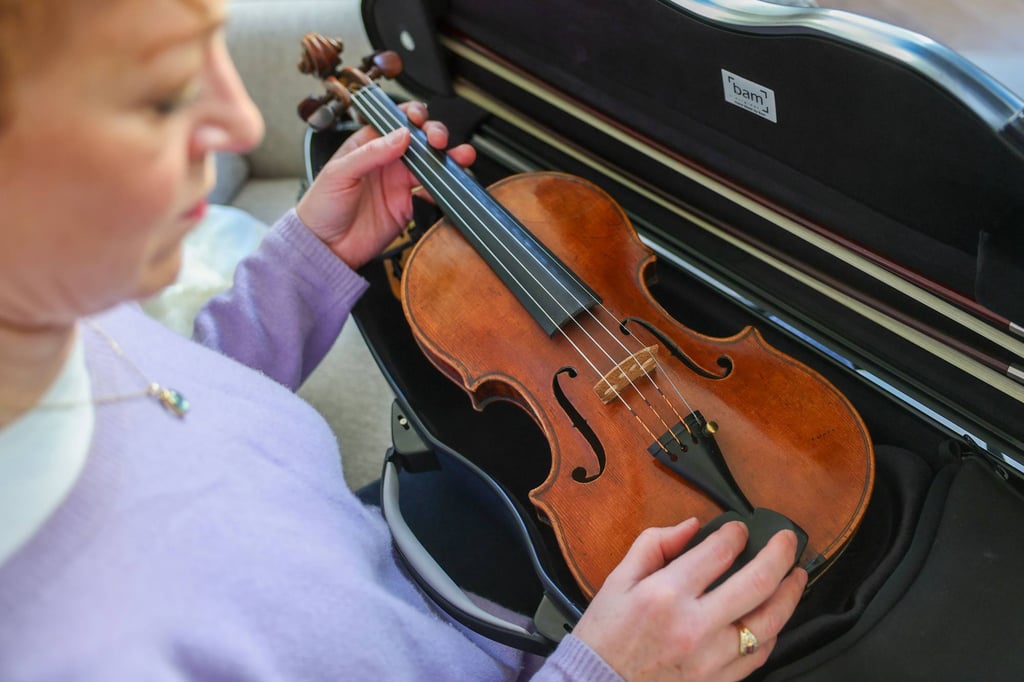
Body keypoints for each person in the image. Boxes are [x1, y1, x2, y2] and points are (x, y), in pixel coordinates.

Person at [0, 0, 807, 679]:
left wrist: (307, 264)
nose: (241, 120)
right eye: (154, 94)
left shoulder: (53, 304)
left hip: (431, 577)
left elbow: (175, 402)